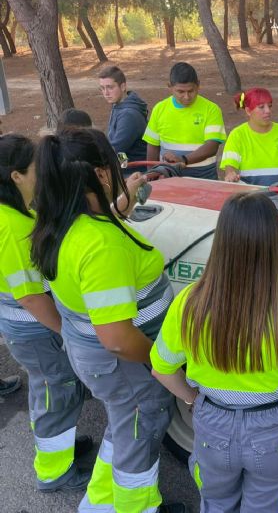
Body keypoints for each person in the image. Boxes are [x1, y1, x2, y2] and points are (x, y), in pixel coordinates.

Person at [30, 128, 184, 513]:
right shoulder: (101, 246)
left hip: (96, 360)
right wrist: (159, 359)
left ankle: (99, 504)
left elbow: (99, 230)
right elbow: (117, 337)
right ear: (100, 174)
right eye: (115, 165)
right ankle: (137, 506)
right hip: (124, 363)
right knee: (138, 437)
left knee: (124, 427)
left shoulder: (64, 222)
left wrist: (119, 206)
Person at [150, 191, 278, 512]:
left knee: (216, 504)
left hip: (211, 425)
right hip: (275, 431)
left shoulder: (189, 304)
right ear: (275, 244)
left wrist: (193, 400)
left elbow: (161, 368)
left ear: (222, 240)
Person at [0, 134, 90, 492]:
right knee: (57, 391)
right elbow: (30, 297)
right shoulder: (12, 228)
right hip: (35, 330)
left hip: (31, 330)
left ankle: (59, 448)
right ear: (17, 176)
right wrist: (66, 332)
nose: (43, 173)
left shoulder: (17, 212)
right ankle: (54, 472)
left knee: (52, 390)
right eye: (37, 168)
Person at [144, 62, 226, 179]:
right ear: (170, 87)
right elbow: (152, 145)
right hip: (168, 176)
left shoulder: (211, 109)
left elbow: (212, 146)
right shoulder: (159, 109)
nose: (187, 97)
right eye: (181, 92)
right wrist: (151, 175)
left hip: (203, 176)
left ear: (198, 85)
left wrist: (183, 160)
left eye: (191, 91)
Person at [220, 88, 278, 187]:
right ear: (248, 111)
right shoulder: (237, 135)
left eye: (269, 106)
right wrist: (230, 174)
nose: (268, 111)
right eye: (261, 107)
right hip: (251, 199)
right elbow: (230, 167)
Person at [98, 65, 148, 173]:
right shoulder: (118, 106)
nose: (106, 93)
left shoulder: (129, 115)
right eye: (102, 88)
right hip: (124, 166)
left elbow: (116, 149)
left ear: (123, 86)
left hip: (134, 173)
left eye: (110, 87)